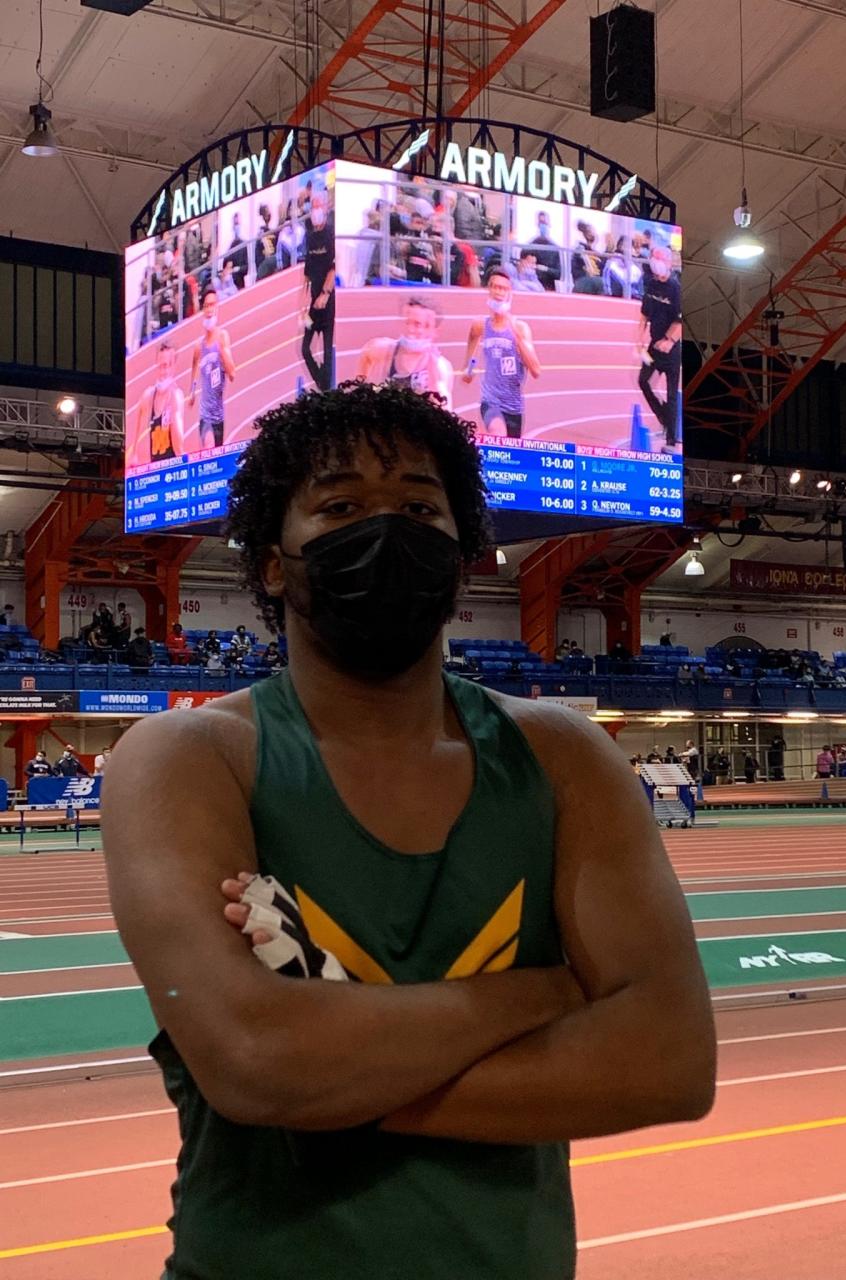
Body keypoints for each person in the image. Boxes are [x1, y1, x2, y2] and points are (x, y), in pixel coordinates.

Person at [102, 382, 715, 1280]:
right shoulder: (188, 758)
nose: (385, 532)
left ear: (463, 554)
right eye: (341, 505)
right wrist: (545, 996)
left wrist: (331, 1081)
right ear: (274, 563)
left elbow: (667, 1063)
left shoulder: (561, 758)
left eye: (420, 507)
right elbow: (255, 1061)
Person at [462, 270, 541, 438]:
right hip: (490, 401)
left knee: (509, 455)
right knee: (498, 434)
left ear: (510, 294)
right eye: (495, 287)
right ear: (489, 290)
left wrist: (517, 337)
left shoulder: (520, 328)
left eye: (504, 289)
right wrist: (468, 368)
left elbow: (536, 370)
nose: (499, 292)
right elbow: (472, 345)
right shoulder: (480, 325)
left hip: (514, 406)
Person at [356, 298, 454, 406]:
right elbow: (366, 354)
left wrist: (433, 379)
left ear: (434, 331)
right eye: (407, 322)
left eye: (417, 324)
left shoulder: (440, 368)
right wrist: (361, 386)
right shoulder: (381, 349)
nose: (410, 329)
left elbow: (444, 411)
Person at [637, 243, 682, 451]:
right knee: (643, 381)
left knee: (672, 394)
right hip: (654, 347)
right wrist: (639, 339)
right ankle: (663, 416)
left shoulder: (676, 288)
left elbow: (680, 321)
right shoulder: (650, 284)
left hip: (672, 352)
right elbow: (644, 315)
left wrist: (669, 341)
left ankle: (671, 441)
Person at [189, 290, 237, 451]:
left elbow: (232, 374)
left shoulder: (223, 337)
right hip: (205, 415)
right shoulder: (198, 346)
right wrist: (192, 391)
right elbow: (195, 366)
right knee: (208, 447)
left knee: (216, 456)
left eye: (212, 305)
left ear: (217, 307)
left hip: (219, 416)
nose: (209, 309)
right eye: (206, 306)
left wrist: (223, 351)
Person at [301, 191, 335, 391]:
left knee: (327, 352)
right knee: (305, 349)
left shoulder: (331, 234)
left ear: (325, 208)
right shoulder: (310, 237)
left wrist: (325, 294)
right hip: (313, 306)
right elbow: (306, 275)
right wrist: (303, 306)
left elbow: (333, 266)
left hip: (328, 304)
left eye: (318, 206)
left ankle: (326, 389)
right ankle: (323, 384)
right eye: (312, 207)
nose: (315, 211)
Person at [135, 340, 184, 464]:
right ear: (156, 365)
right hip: (155, 472)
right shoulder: (148, 396)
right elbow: (138, 439)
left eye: (167, 365)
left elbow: (178, 448)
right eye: (161, 366)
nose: (164, 371)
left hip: (173, 471)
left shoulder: (176, 396)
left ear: (174, 366)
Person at [528, 211, 561, 291]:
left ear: (549, 225)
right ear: (537, 225)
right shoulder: (530, 246)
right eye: (541, 222)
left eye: (544, 223)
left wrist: (546, 269)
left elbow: (559, 273)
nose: (543, 225)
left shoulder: (555, 248)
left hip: (549, 288)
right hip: (531, 287)